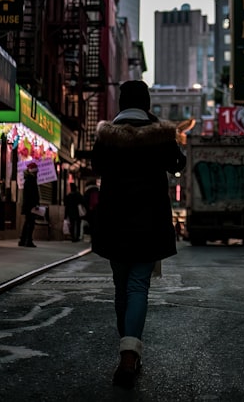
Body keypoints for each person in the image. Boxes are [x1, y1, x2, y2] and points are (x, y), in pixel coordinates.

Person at [91, 80, 186, 389]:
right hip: (149, 222)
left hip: (114, 222)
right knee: (138, 287)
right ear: (146, 103)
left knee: (121, 286)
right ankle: (129, 352)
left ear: (120, 102)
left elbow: (96, 166)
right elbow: (178, 164)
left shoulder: (106, 135)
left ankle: (128, 349)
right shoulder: (160, 134)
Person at [18, 161, 40, 247]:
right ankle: (28, 240)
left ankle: (23, 240)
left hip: (28, 206)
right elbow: (32, 194)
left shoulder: (28, 179)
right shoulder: (31, 180)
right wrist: (35, 204)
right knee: (30, 223)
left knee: (27, 222)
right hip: (30, 206)